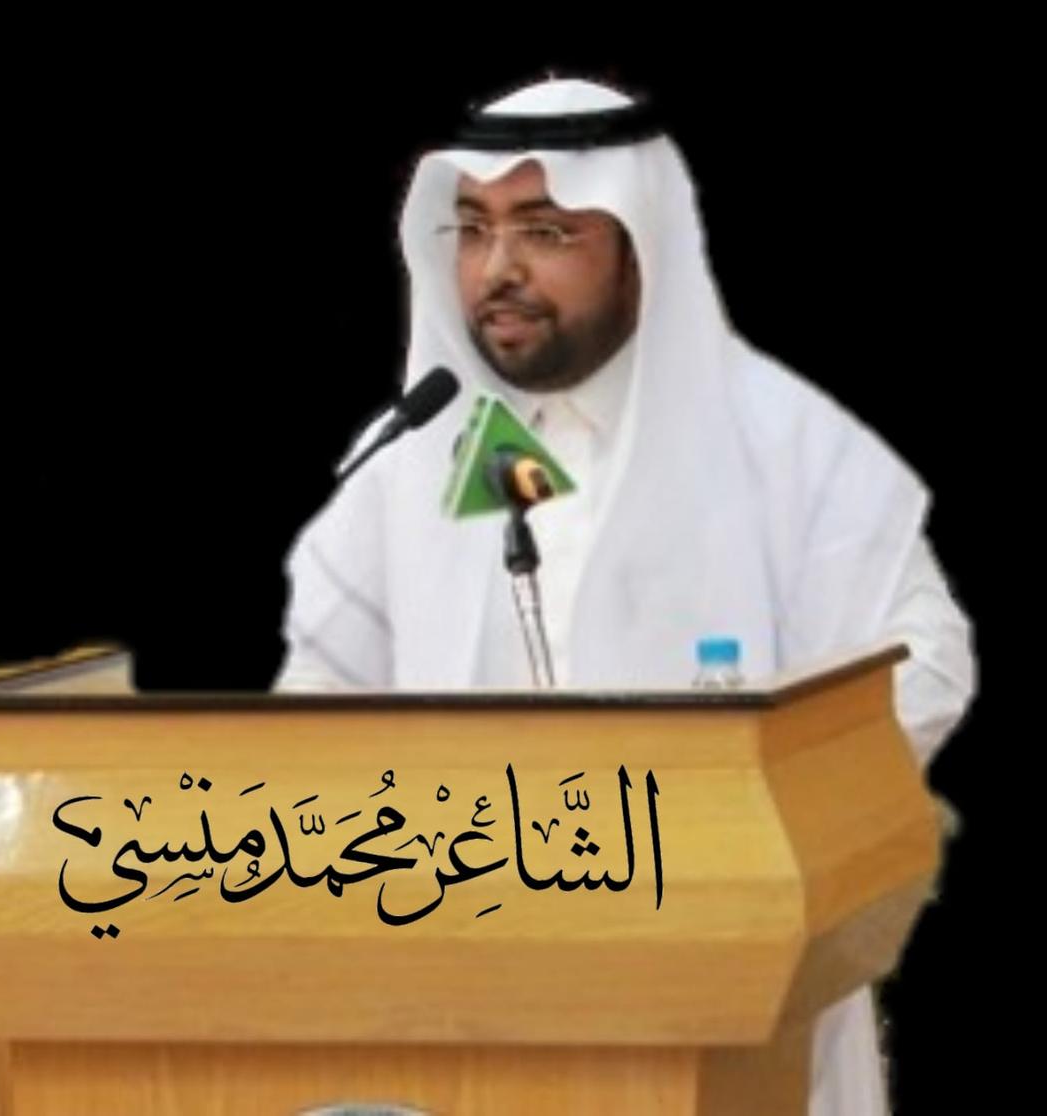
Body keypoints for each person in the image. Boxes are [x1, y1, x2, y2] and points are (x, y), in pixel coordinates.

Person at [274, 77, 975, 1115]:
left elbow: (925, 662)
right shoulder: (416, 463)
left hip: (728, 1008)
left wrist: (759, 803)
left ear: (639, 248)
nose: (497, 270)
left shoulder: (779, 446)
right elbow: (311, 712)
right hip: (474, 1000)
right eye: (473, 230)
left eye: (545, 230)